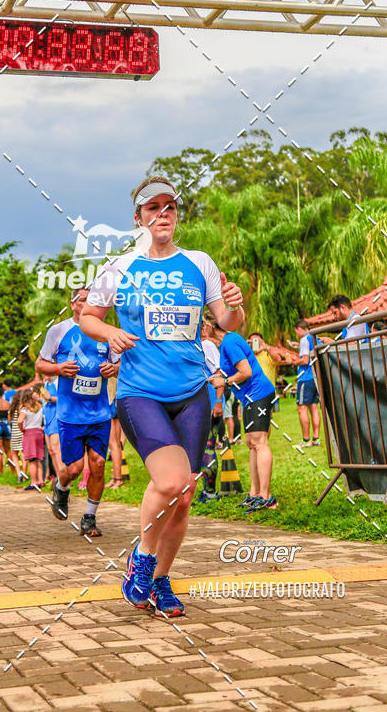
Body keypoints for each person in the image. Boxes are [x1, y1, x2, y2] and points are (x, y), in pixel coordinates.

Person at [80, 176, 243, 616]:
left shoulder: (199, 263)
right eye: (152, 208)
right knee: (171, 482)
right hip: (140, 393)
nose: (162, 214)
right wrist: (110, 330)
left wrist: (235, 303)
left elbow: (228, 322)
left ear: (177, 214)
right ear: (138, 219)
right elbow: (89, 318)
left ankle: (160, 581)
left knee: (184, 496)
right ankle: (142, 560)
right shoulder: (120, 268)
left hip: (192, 392)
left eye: (169, 206)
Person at [36, 287, 119, 538]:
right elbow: (41, 364)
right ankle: (61, 488)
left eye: (92, 301)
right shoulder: (58, 331)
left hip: (99, 413)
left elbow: (120, 362)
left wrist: (112, 369)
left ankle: (89, 518)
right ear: (73, 304)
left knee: (98, 464)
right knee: (73, 469)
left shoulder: (106, 332)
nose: (88, 305)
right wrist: (60, 368)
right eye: (83, 300)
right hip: (70, 415)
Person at [210, 322, 277, 514]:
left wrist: (224, 381)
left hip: (258, 394)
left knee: (259, 442)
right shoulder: (225, 343)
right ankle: (255, 493)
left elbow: (245, 372)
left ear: (208, 325)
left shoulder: (229, 342)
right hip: (249, 398)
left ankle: (267, 497)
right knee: (251, 443)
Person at [0, 383, 25, 480]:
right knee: (8, 451)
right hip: (7, 426)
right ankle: (14, 471)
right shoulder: (7, 403)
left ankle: (0, 472)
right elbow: (9, 415)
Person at [294, 319, 321, 449]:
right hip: (316, 377)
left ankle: (306, 439)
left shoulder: (304, 340)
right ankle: (316, 438)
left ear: (299, 329)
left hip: (305, 377)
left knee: (302, 408)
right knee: (314, 407)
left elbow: (304, 360)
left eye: (296, 332)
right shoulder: (314, 338)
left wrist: (293, 361)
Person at [201, 317, 225, 447]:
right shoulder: (196, 346)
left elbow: (218, 373)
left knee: (209, 445)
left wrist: (218, 402)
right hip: (200, 403)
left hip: (212, 400)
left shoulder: (207, 345)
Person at [15, 388, 45, 490]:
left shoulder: (24, 410)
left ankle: (33, 482)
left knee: (31, 459)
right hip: (39, 432)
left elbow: (19, 421)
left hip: (29, 433)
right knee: (39, 458)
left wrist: (22, 429)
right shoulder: (40, 408)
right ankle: (41, 480)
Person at [41, 375, 62, 481]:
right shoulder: (45, 384)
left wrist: (50, 398)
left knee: (56, 449)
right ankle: (58, 478)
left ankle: (63, 478)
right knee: (51, 450)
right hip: (46, 420)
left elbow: (64, 400)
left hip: (56, 418)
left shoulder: (58, 382)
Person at [105, 376, 124, 489]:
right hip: (117, 400)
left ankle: (118, 479)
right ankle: (114, 477)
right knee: (116, 443)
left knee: (114, 444)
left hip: (111, 400)